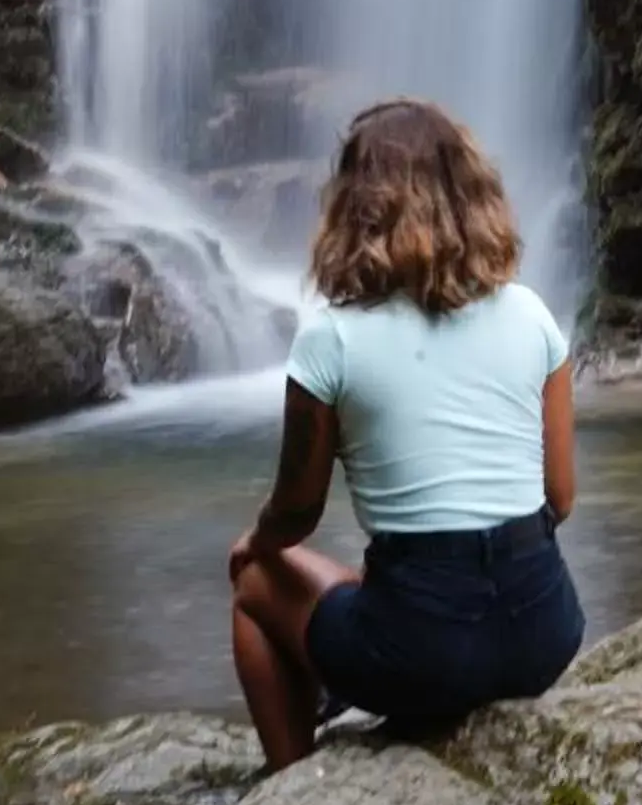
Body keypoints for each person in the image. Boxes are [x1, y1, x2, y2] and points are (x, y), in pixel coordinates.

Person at [226, 99, 583, 770]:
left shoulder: (331, 340)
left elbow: (296, 514)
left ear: (355, 206)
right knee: (381, 578)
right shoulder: (533, 317)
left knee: (254, 584)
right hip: (546, 635)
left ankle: (292, 784)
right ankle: (357, 672)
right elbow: (558, 498)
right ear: (473, 195)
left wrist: (255, 543)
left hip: (425, 655)